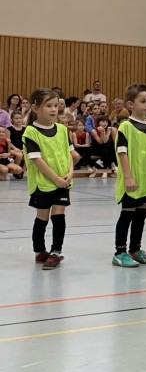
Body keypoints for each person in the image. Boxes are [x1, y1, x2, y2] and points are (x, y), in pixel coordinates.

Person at [23, 89, 80, 270]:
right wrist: (55, 178)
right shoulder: (30, 132)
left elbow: (70, 153)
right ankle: (40, 251)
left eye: (56, 105)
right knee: (42, 218)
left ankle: (55, 252)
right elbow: (36, 160)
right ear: (35, 108)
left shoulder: (62, 129)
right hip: (43, 183)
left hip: (63, 181)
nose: (54, 109)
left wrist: (70, 172)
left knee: (59, 216)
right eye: (49, 106)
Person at [113, 84, 146, 268]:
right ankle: (119, 252)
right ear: (131, 104)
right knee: (127, 215)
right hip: (131, 180)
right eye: (143, 101)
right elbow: (122, 152)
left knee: (141, 215)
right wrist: (128, 176)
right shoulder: (126, 126)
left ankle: (135, 249)